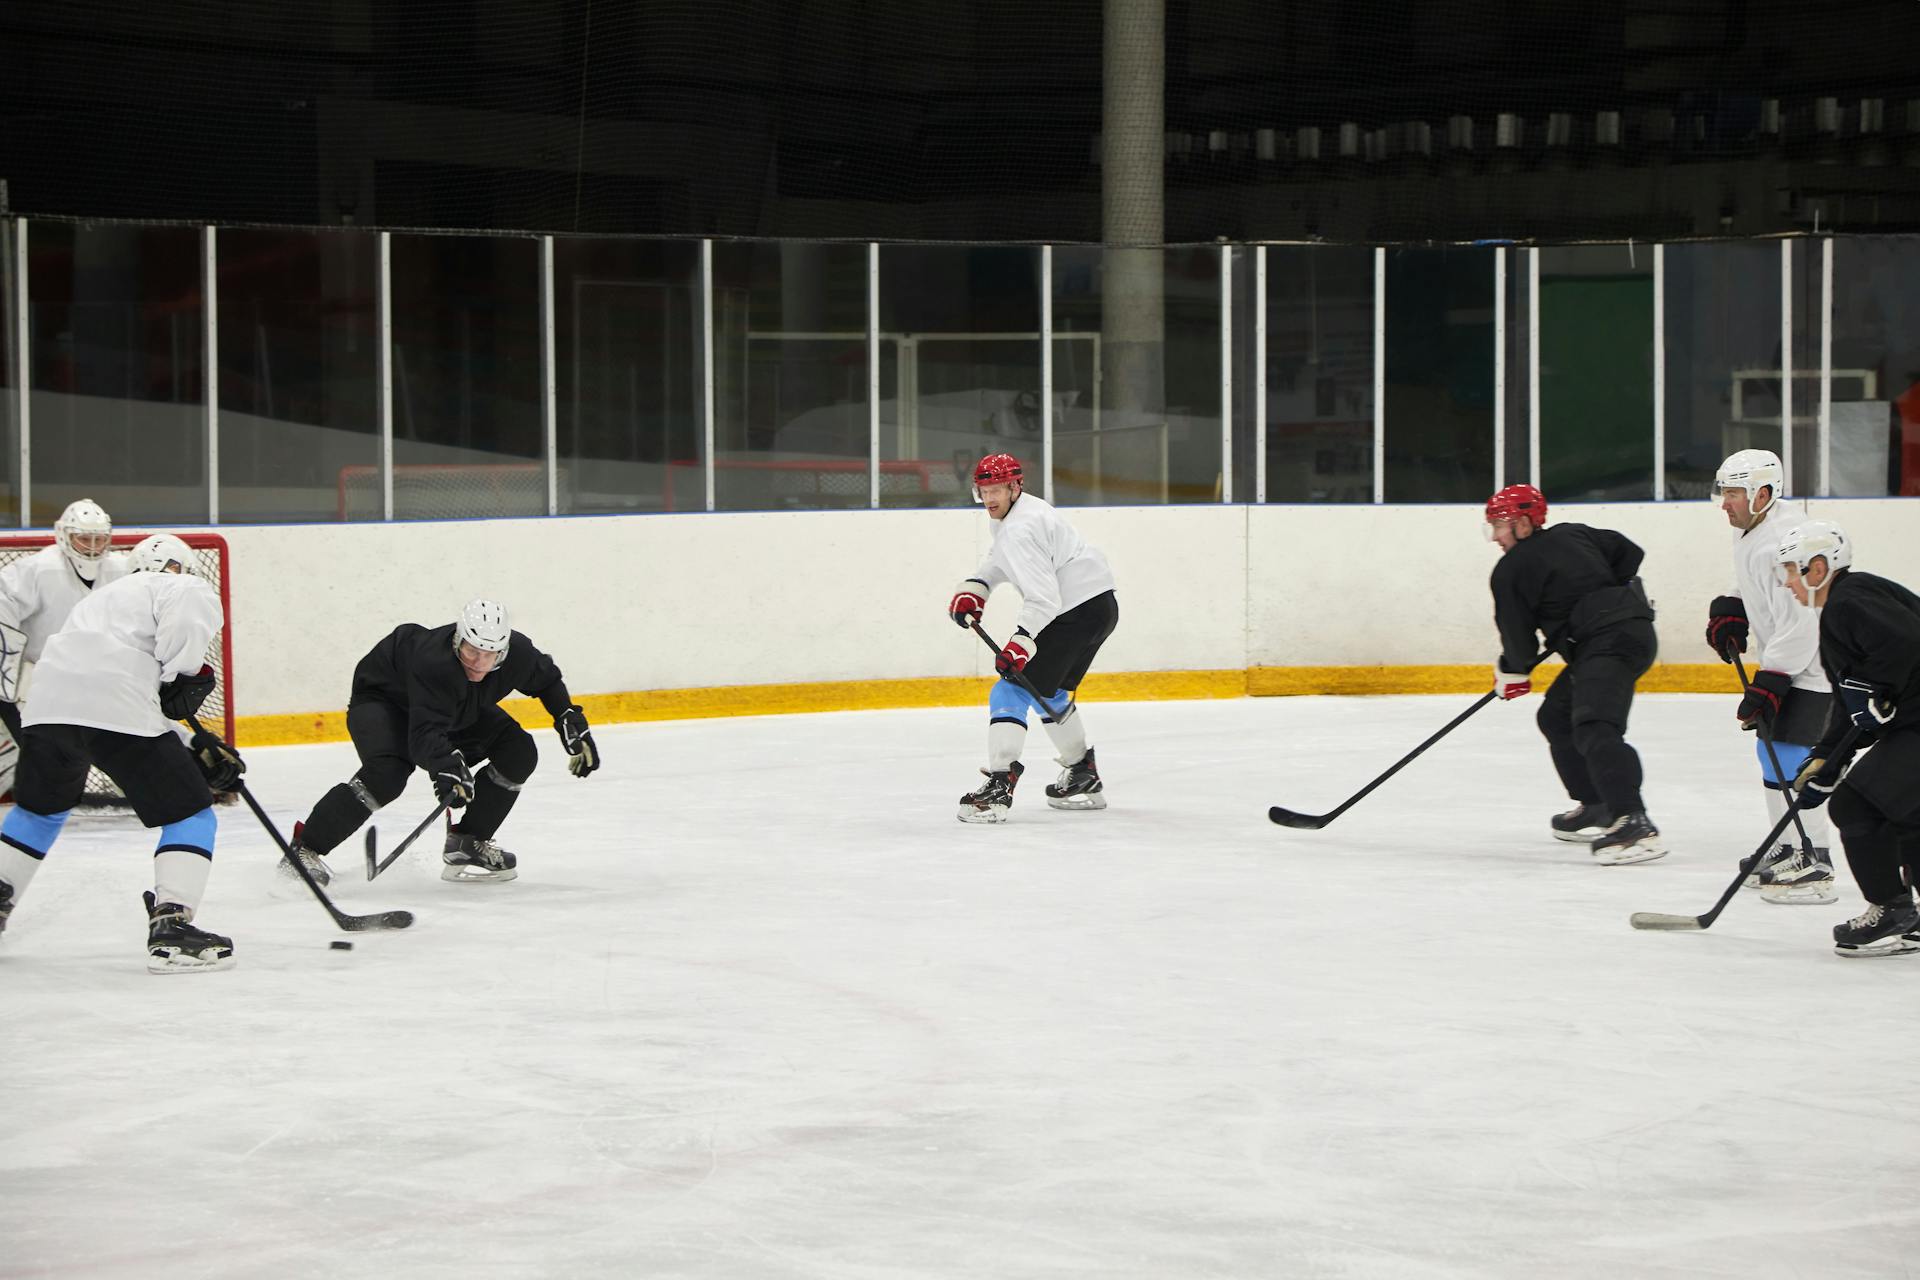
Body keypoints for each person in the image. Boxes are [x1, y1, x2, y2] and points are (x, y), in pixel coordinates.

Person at [0, 534, 243, 973]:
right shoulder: (180, 586)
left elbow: (118, 684)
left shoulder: (102, 600)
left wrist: (195, 742)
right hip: (114, 707)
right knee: (191, 813)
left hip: (47, 708)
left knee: (40, 811)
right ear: (178, 566)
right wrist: (183, 673)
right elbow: (134, 690)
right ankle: (173, 929)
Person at [284, 599, 600, 885]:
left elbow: (547, 680)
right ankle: (305, 849)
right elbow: (424, 733)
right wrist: (446, 765)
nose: (478, 662)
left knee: (518, 752)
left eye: (489, 655)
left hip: (453, 706)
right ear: (458, 640)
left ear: (502, 652)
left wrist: (567, 717)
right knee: (388, 774)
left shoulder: (517, 654)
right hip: (386, 701)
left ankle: (467, 842)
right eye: (471, 651)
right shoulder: (433, 662)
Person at [1483, 483, 1663, 864]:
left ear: (1526, 524)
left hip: (1608, 644)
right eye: (1493, 526)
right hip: (1631, 633)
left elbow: (1519, 645)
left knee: (1595, 726)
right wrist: (1600, 596)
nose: (1495, 536)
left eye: (1501, 525)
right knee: (1556, 716)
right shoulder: (1574, 533)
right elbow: (1629, 553)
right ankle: (1596, 804)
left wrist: (1511, 672)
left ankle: (1633, 821)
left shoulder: (1509, 571)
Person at [946, 453, 1118, 822]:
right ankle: (1082, 775)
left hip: (1073, 613)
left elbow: (1044, 597)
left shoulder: (1020, 527)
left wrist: (1021, 642)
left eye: (997, 489)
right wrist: (978, 588)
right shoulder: (1021, 513)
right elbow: (1000, 558)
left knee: (1009, 690)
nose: (989, 498)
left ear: (1015, 486)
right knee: (1045, 691)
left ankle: (997, 787)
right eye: (983, 490)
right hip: (1098, 608)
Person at [1778, 520, 1920, 957]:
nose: (1787, 583)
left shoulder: (1848, 601)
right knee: (1904, 811)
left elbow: (1909, 641)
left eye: (1791, 570)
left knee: (1856, 804)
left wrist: (1874, 686)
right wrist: (1826, 759)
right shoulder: (1852, 599)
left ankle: (1892, 910)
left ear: (1817, 568)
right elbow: (1850, 699)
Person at [1703, 449, 1836, 904]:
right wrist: (1732, 605)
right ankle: (1785, 841)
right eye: (1724, 492)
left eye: (1734, 494)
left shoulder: (1788, 539)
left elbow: (1804, 619)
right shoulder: (1755, 528)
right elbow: (1755, 583)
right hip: (1792, 662)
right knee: (1771, 753)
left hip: (1812, 668)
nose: (1726, 503)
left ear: (1763, 493)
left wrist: (1772, 678)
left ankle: (1814, 860)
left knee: (1792, 758)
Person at [0, 499, 130, 789]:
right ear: (64, 536)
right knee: (50, 758)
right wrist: (9, 669)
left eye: (100, 539)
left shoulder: (121, 569)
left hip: (91, 679)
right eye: (84, 539)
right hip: (34, 679)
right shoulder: (39, 569)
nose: (93, 547)